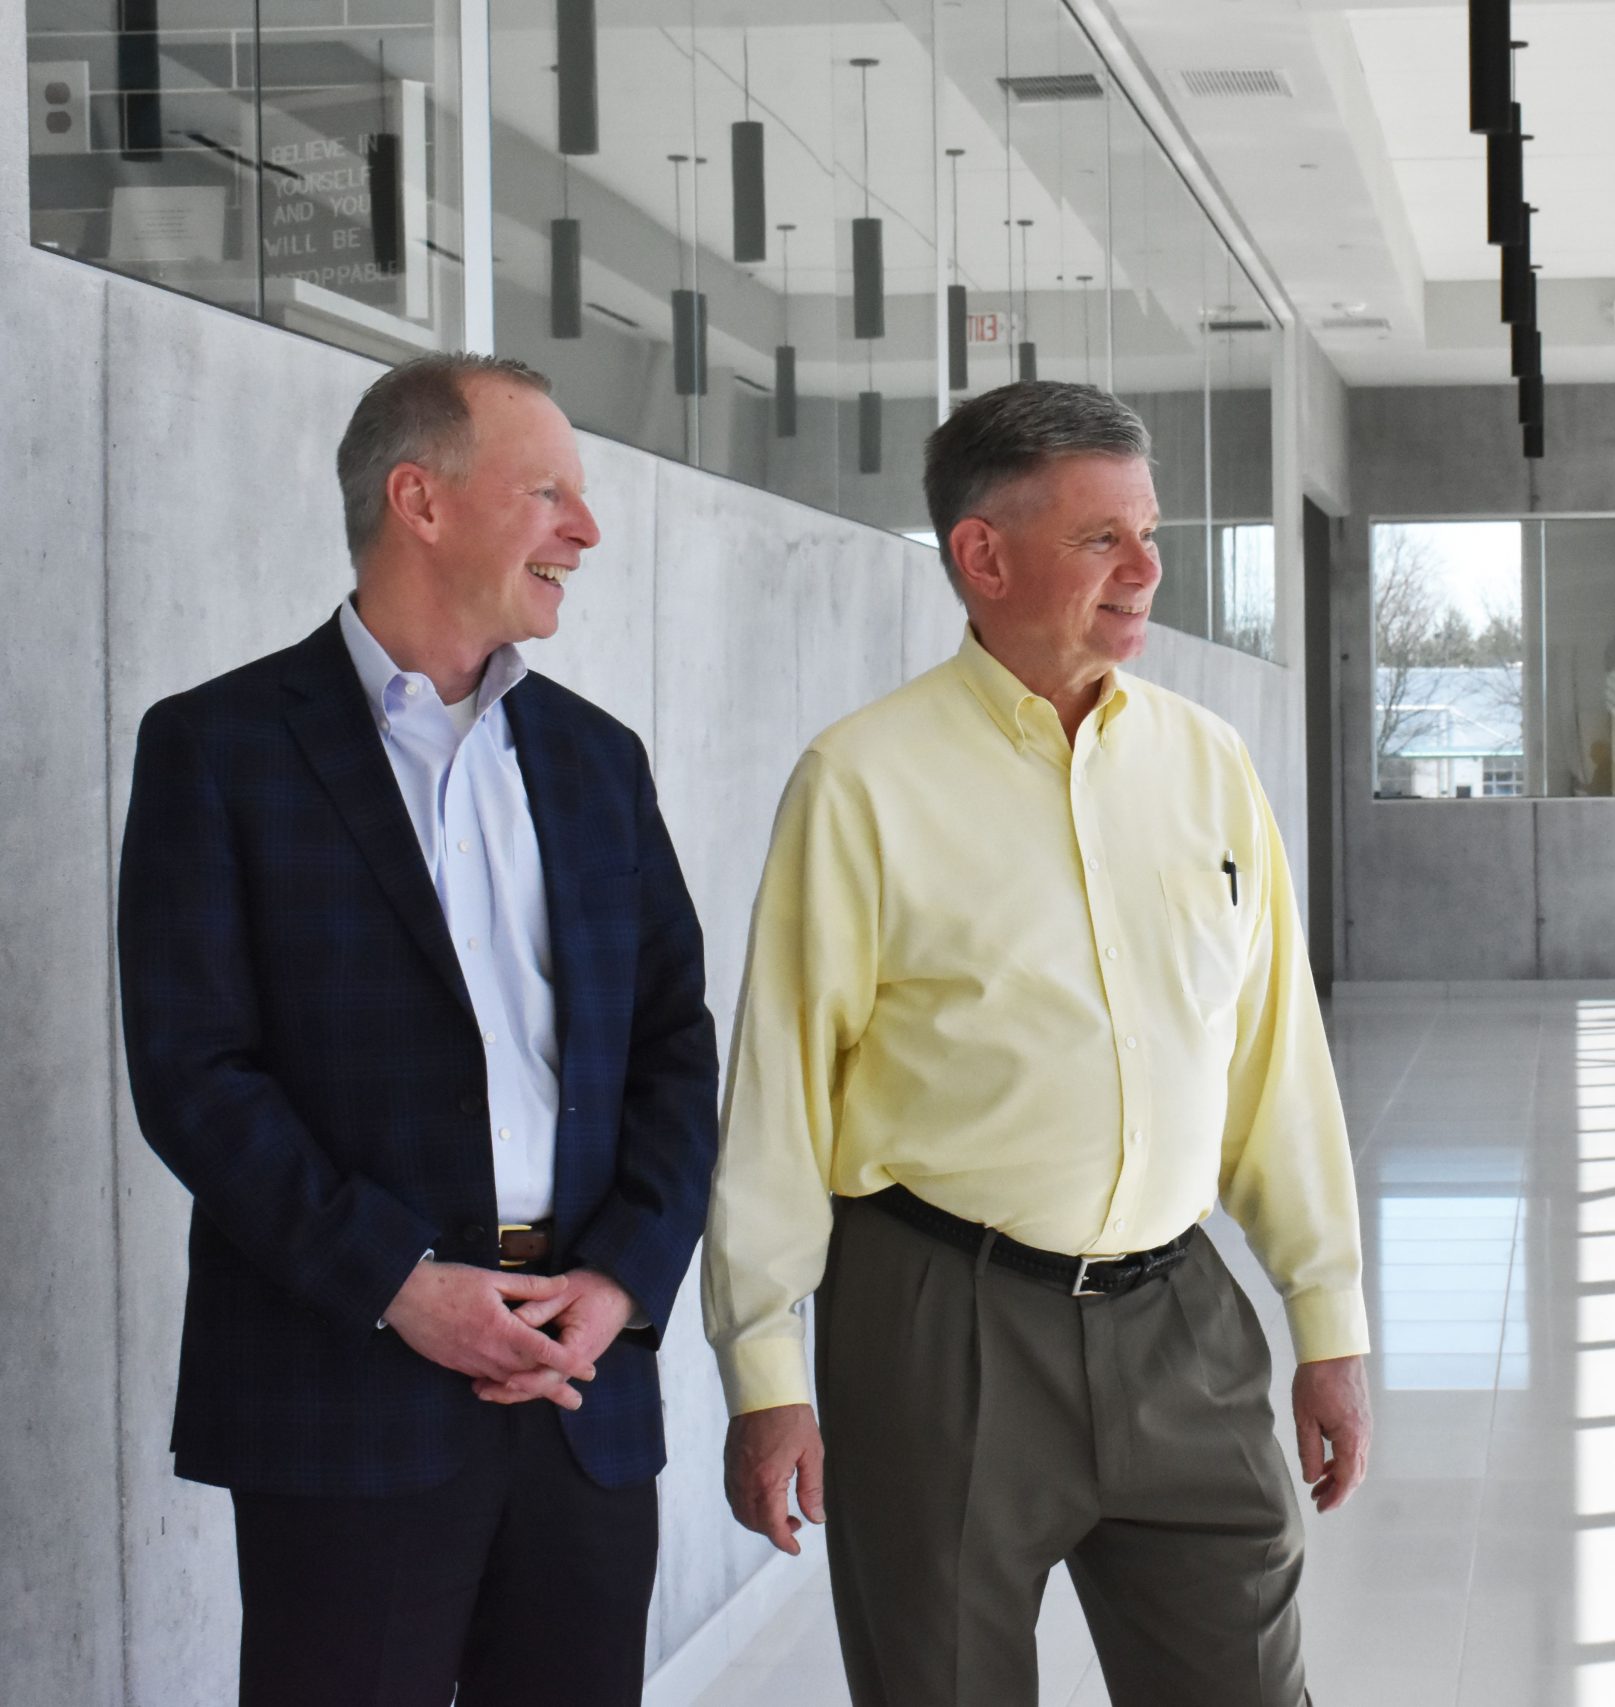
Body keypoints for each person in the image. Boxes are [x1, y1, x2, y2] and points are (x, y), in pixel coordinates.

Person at [704, 379, 1371, 1706]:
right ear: (983, 554)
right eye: (1103, 538)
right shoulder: (863, 780)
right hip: (940, 1325)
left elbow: (1270, 1065)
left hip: (1183, 1319)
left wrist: (1327, 1315)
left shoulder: (1210, 763)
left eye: (1151, 531)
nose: (1147, 571)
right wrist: (764, 1368)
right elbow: (780, 1092)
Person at [117, 353, 720, 1706]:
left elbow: (677, 1046)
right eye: (549, 491)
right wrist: (399, 1281)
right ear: (421, 500)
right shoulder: (219, 748)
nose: (587, 530)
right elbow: (194, 1074)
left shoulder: (596, 760)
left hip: (581, 1391)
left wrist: (622, 1279)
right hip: (344, 1385)